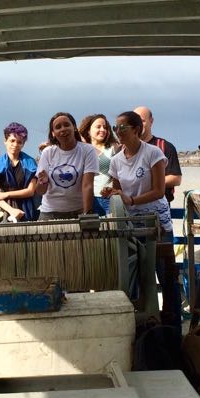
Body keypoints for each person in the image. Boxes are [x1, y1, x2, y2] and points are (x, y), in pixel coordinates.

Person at [132, 105, 183, 326]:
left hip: (160, 219)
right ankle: (144, 323)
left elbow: (176, 178)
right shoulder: (124, 150)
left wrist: (150, 185)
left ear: (151, 121)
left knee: (166, 273)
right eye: (136, 121)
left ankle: (172, 323)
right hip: (134, 220)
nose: (140, 125)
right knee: (139, 275)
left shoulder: (164, 146)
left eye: (143, 120)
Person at [103, 110, 174, 238]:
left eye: (122, 128)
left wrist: (131, 200)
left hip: (156, 222)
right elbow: (118, 191)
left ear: (136, 130)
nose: (117, 132)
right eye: (115, 128)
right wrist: (111, 193)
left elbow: (159, 191)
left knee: (159, 257)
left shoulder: (153, 153)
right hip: (131, 223)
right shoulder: (115, 160)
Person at [35, 111, 98, 219]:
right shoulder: (48, 152)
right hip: (50, 213)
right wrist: (43, 182)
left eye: (66, 125)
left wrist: (86, 214)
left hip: (78, 211)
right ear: (53, 133)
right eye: (58, 127)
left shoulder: (88, 150)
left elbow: (87, 185)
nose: (63, 129)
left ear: (74, 127)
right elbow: (40, 191)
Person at [0, 122, 39, 222]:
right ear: (5, 141)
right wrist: (12, 210)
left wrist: (6, 194)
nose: (15, 145)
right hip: (2, 211)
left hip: (26, 210)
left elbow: (30, 191)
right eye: (12, 141)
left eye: (19, 142)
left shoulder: (30, 163)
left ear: (23, 143)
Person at [79, 114, 118, 216]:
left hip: (109, 198)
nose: (102, 130)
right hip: (89, 198)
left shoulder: (113, 148)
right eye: (98, 127)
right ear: (88, 130)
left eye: (105, 127)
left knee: (111, 228)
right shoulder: (82, 149)